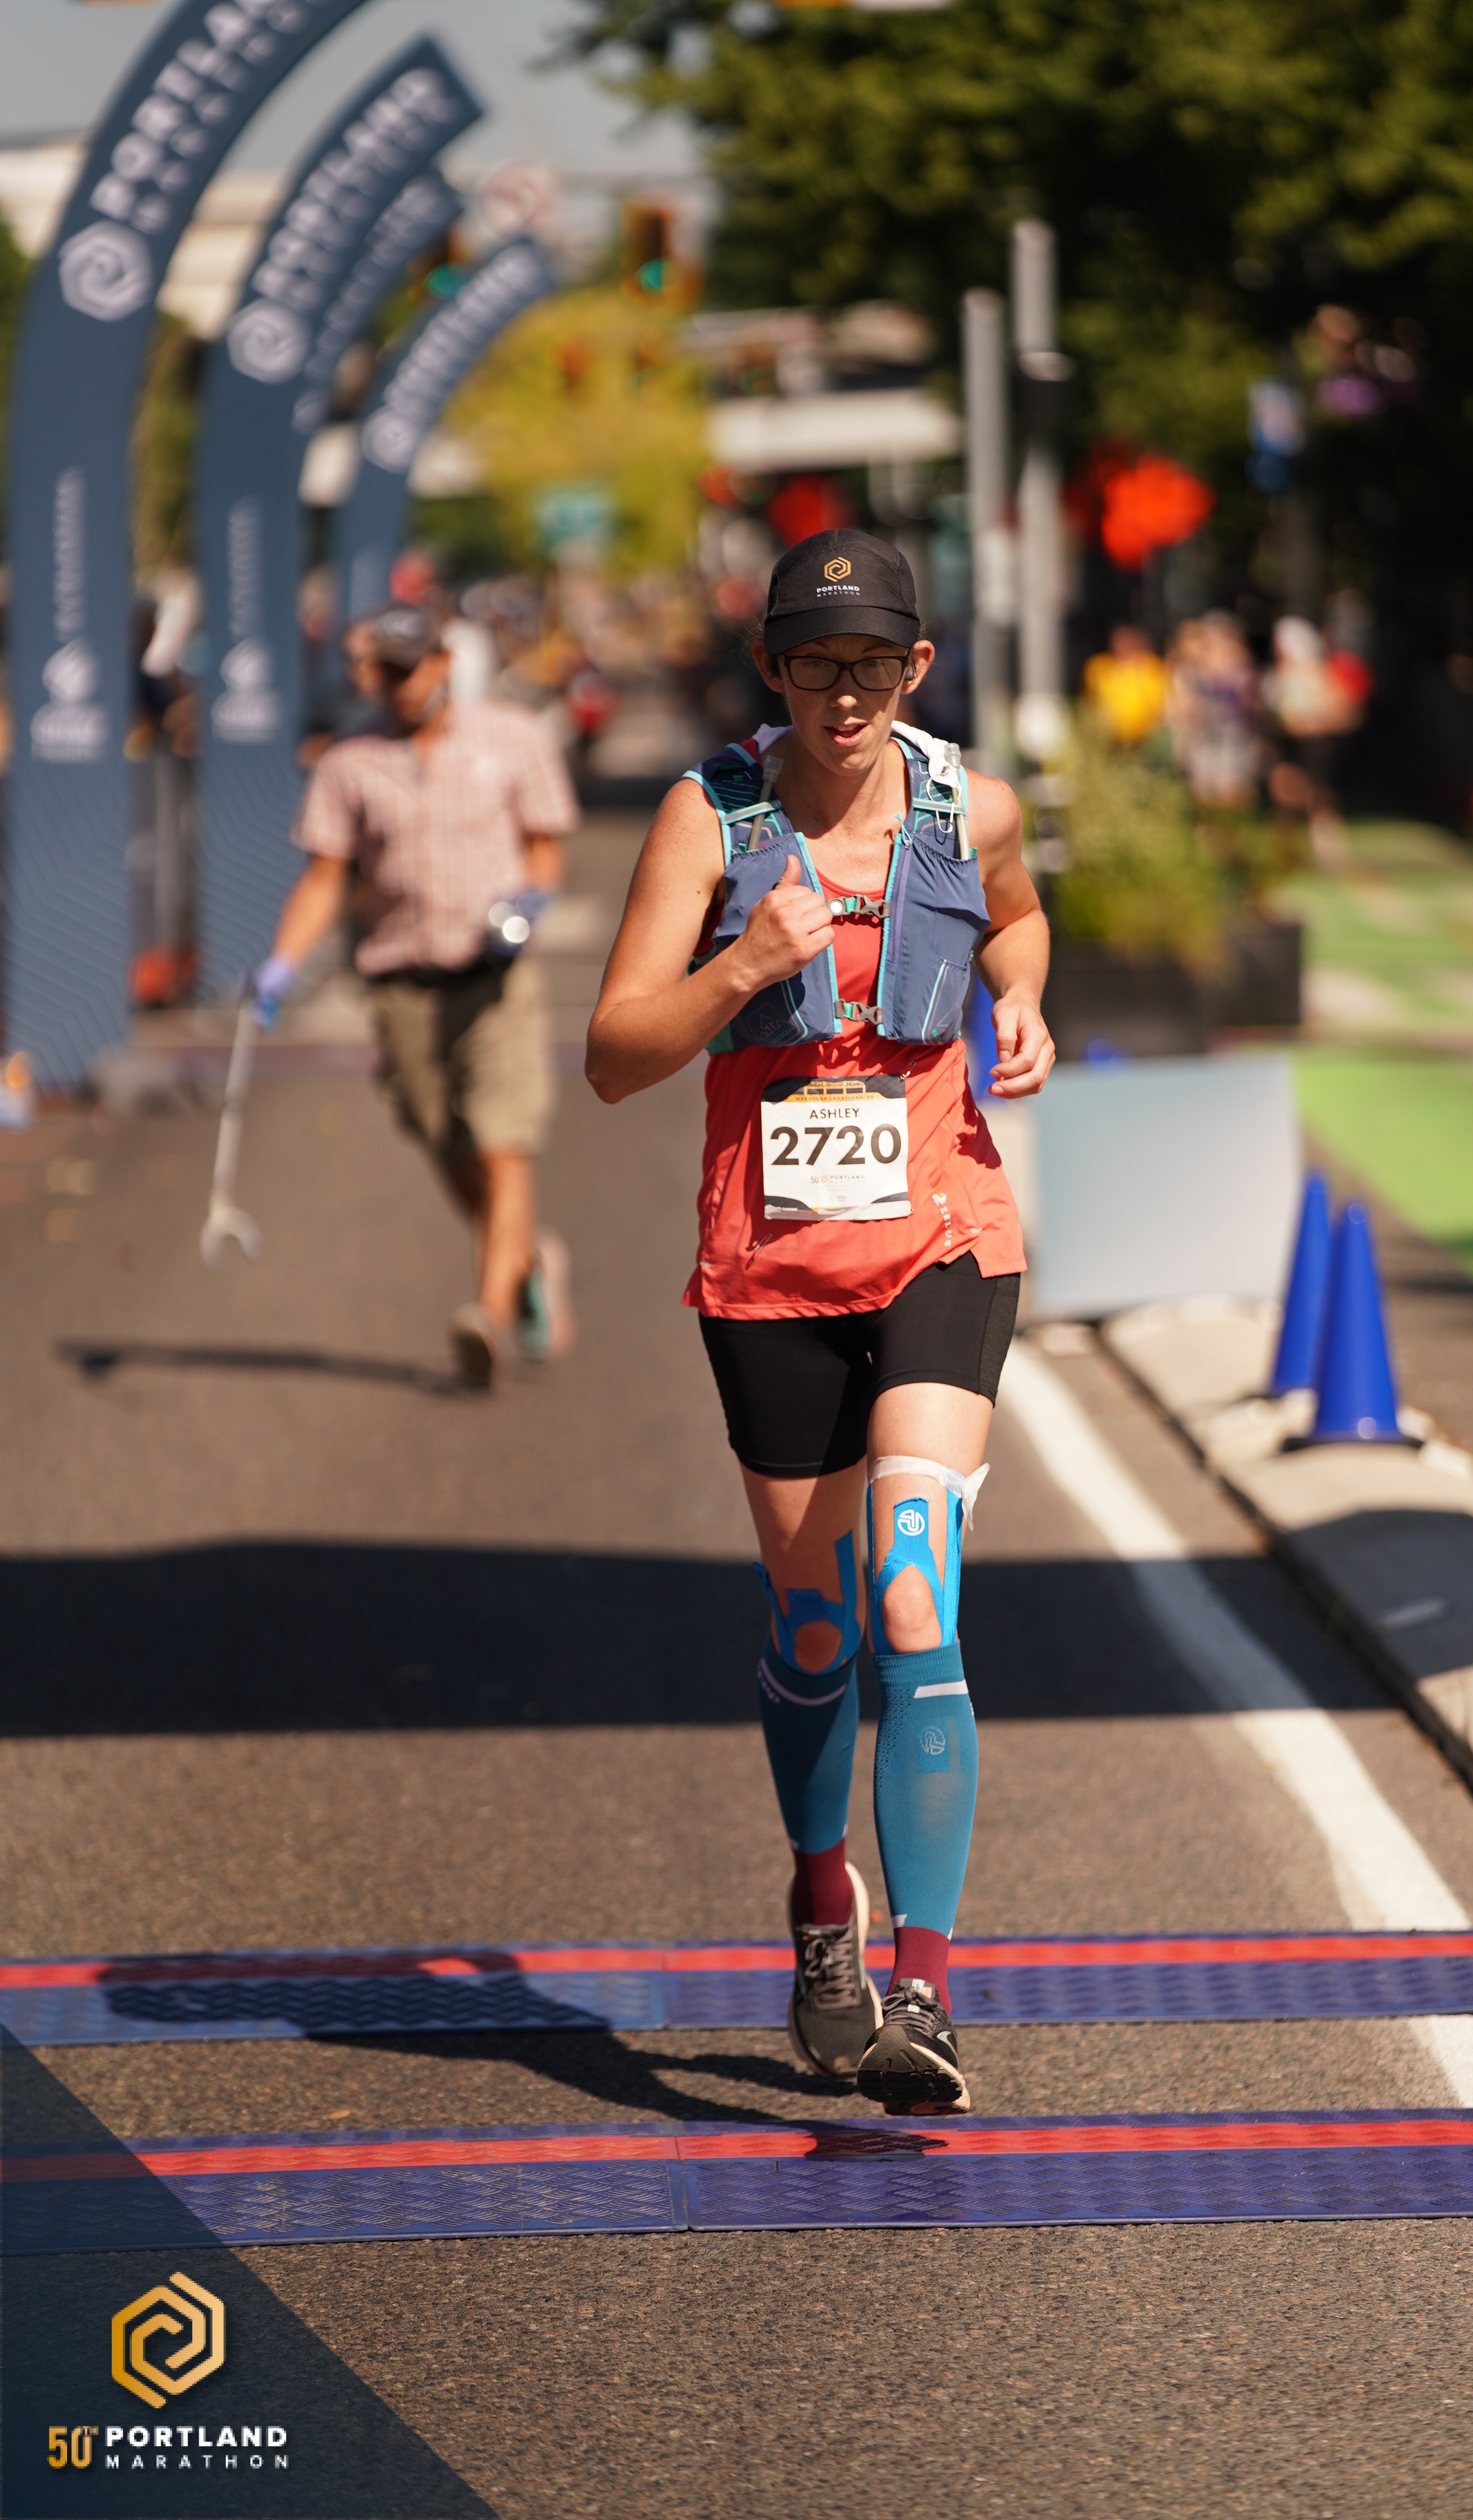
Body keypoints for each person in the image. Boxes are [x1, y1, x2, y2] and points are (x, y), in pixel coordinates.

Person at [587, 529, 1055, 2115]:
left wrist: (1021, 997)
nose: (842, 696)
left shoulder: (968, 805)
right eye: (812, 666)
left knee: (914, 1596)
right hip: (769, 1272)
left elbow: (1013, 917)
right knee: (814, 1632)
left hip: (941, 1241)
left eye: (870, 666)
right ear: (770, 670)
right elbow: (612, 1055)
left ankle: (924, 1987)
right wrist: (741, 967)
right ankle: (818, 1903)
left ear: (914, 668)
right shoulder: (708, 819)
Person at [256, 605, 579, 1388]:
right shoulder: (350, 763)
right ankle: (528, 1258)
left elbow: (544, 850)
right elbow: (327, 874)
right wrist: (281, 963)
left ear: (443, 664)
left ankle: (488, 1316)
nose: (396, 686)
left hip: (495, 978)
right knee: (445, 1142)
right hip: (402, 981)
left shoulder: (511, 737)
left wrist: (529, 901)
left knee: (502, 1142)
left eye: (407, 669)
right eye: (382, 672)